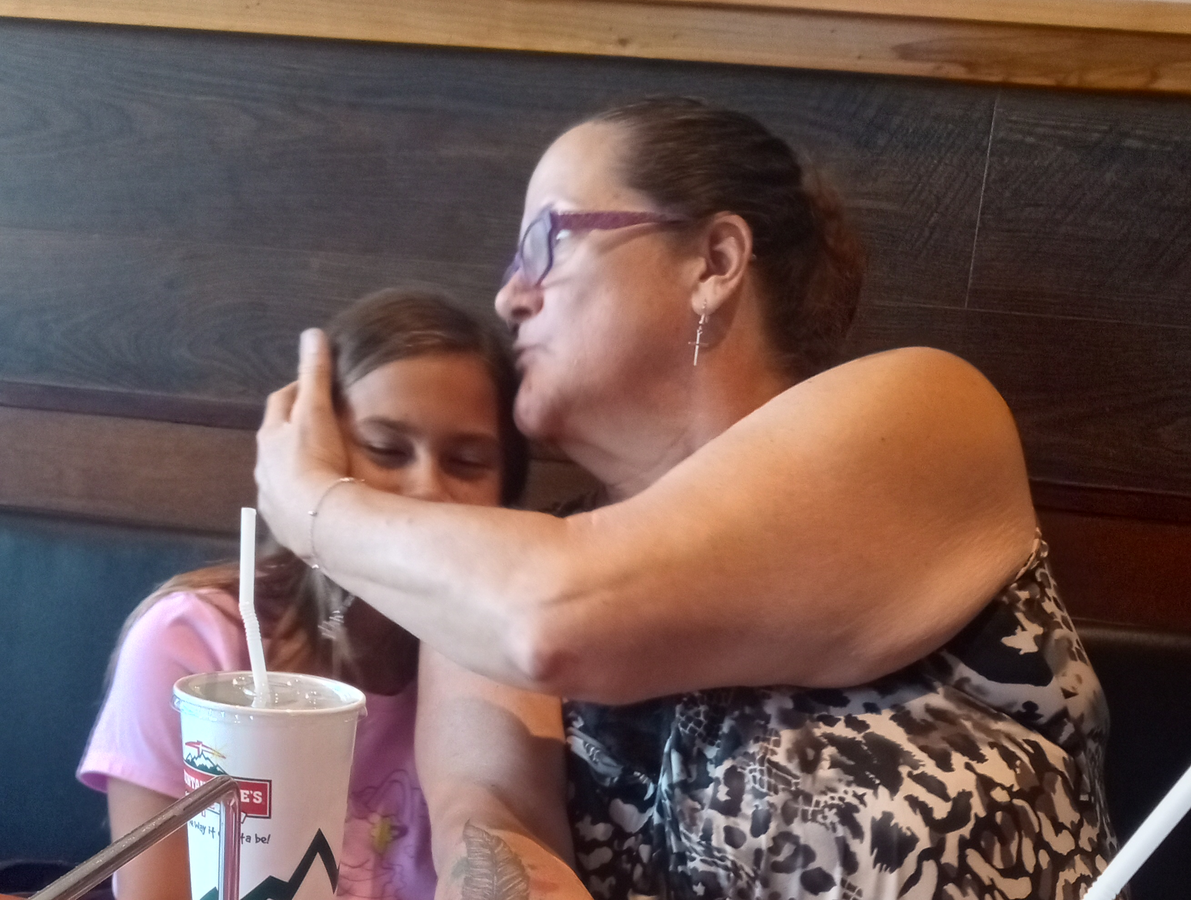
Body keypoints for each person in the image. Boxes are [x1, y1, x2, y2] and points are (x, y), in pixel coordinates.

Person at [255, 98, 1122, 900]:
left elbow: (555, 618)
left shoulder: (925, 412)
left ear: (714, 262)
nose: (509, 295)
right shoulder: (490, 572)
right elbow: (492, 824)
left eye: (546, 241)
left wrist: (309, 502)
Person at [78, 288, 529, 900]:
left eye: (468, 462)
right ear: (309, 458)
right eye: (386, 450)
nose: (427, 489)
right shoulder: (193, 643)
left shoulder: (504, 673)